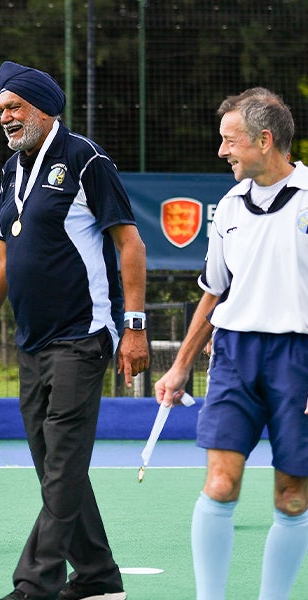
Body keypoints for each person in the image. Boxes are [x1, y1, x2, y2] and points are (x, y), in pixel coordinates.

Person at [0, 61, 149, 600]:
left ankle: (34, 584)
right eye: (1, 109)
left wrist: (134, 327)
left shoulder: (85, 159)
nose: (5, 117)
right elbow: (3, 261)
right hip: (32, 343)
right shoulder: (12, 170)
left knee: (61, 464)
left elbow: (130, 244)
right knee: (54, 466)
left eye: (14, 106)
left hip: (83, 336)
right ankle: (98, 577)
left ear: (43, 108)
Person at [154, 88, 308, 600]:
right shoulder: (229, 207)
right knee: (220, 484)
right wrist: (180, 366)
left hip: (299, 359)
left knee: (292, 497)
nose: (221, 151)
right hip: (235, 355)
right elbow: (214, 293)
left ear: (264, 140)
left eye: (229, 140)